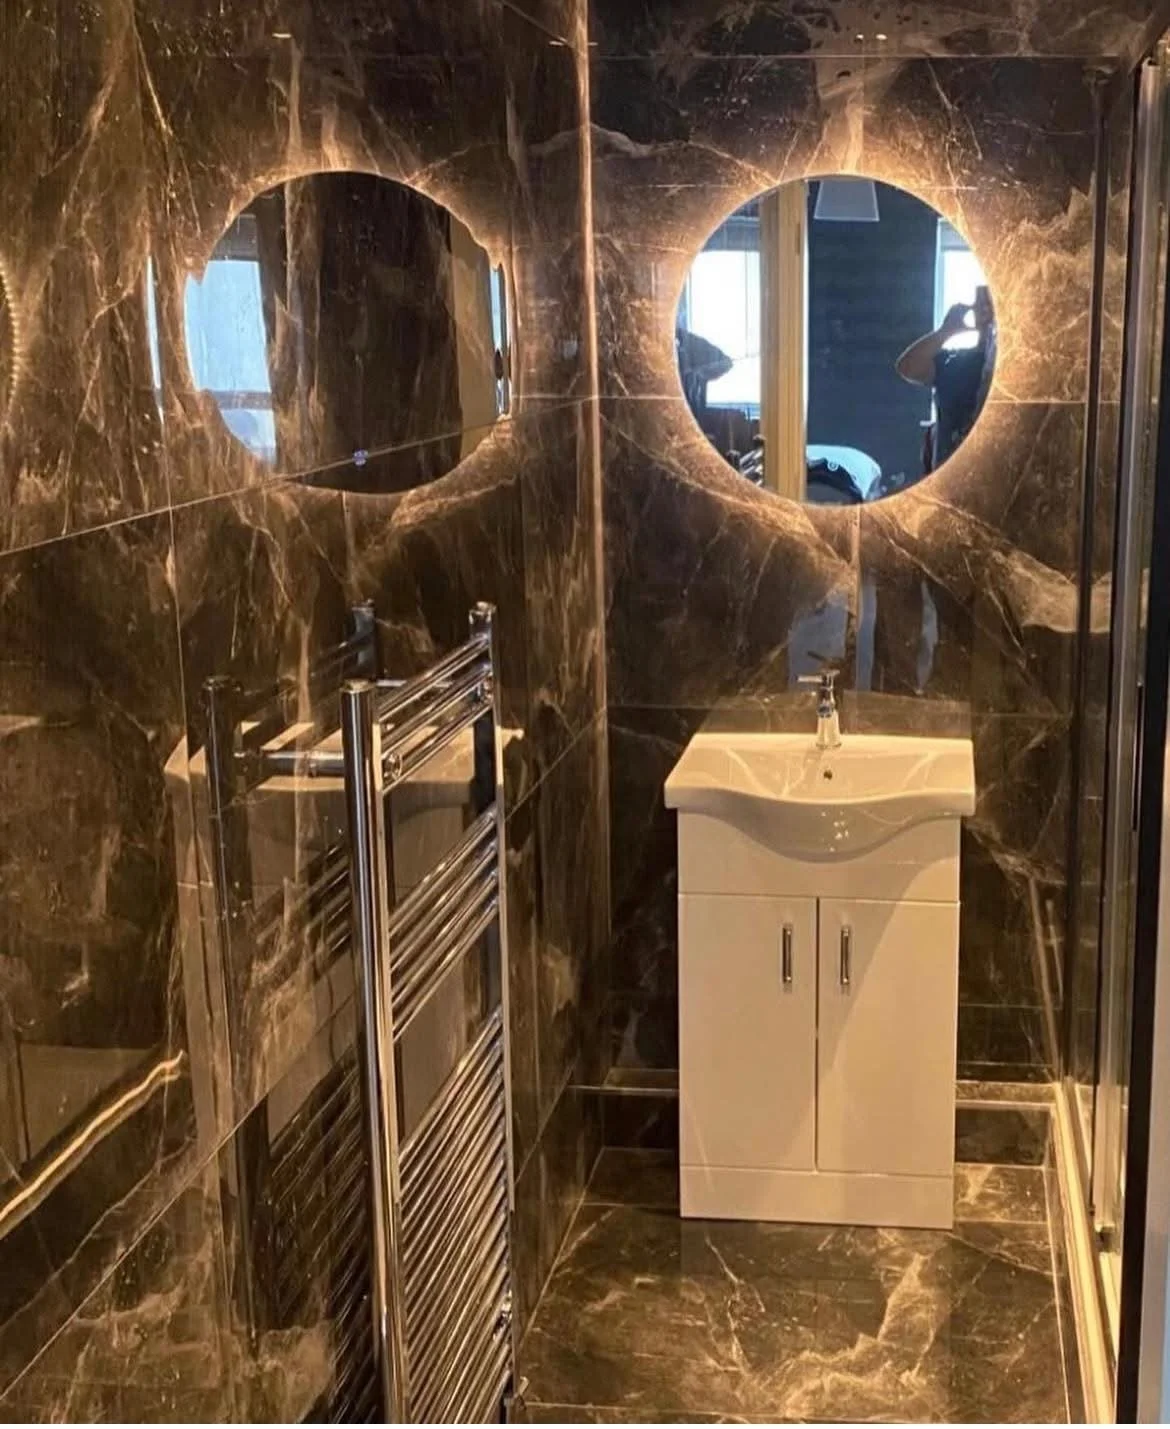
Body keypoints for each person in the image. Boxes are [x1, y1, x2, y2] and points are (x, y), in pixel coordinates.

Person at [895, 285, 997, 468]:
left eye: (994, 303)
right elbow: (907, 367)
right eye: (982, 303)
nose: (987, 309)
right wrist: (947, 330)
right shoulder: (954, 360)